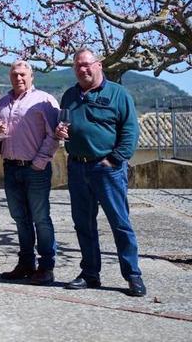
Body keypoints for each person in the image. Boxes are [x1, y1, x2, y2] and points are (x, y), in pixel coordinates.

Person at [56, 48, 146, 297]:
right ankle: (90, 273)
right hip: (77, 167)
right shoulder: (69, 95)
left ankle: (133, 275)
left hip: (107, 169)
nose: (82, 69)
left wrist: (113, 160)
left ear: (99, 65)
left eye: (86, 64)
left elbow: (130, 131)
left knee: (120, 223)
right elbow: (63, 125)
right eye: (77, 65)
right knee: (83, 224)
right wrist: (60, 132)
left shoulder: (118, 94)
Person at [0, 60, 60, 285]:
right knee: (20, 218)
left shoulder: (44, 100)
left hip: (35, 169)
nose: (18, 78)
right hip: (11, 168)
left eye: (22, 74)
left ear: (32, 77)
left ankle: (46, 266)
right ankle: (26, 263)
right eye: (14, 74)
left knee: (41, 218)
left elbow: (54, 135)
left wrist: (40, 162)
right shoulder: (3, 103)